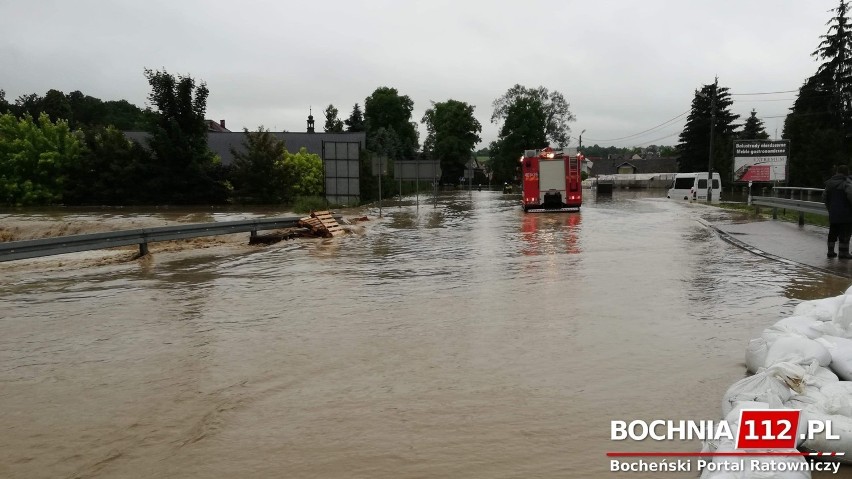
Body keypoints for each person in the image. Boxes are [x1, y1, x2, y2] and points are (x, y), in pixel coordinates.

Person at [822, 164, 852, 259]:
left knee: (833, 232)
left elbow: (824, 197)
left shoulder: (829, 183)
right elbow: (850, 196)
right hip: (846, 213)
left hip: (833, 213)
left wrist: (830, 208)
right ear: (847, 172)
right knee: (845, 234)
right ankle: (844, 253)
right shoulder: (846, 182)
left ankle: (830, 252)